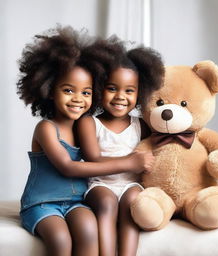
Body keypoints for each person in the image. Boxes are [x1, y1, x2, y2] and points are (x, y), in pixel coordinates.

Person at [17, 26, 154, 256]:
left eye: (86, 92)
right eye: (69, 90)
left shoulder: (85, 124)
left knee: (89, 230)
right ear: (50, 89)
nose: (78, 99)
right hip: (42, 203)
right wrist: (129, 163)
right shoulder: (46, 128)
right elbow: (69, 167)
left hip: (75, 202)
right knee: (60, 240)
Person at [77, 41, 165, 256]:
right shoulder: (89, 123)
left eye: (129, 90)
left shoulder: (140, 125)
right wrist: (130, 162)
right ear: (99, 88)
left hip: (130, 184)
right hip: (99, 185)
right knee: (107, 202)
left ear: (140, 93)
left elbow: (155, 153)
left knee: (133, 201)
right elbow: (93, 160)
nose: (120, 96)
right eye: (112, 88)